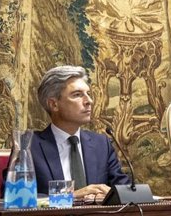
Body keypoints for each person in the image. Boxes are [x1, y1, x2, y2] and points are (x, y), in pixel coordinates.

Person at [25, 65, 130, 200]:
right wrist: (70, 197)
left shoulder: (101, 144)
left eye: (88, 94)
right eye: (77, 95)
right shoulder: (29, 146)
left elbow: (125, 191)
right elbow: (16, 199)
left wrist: (111, 195)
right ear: (54, 104)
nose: (89, 101)